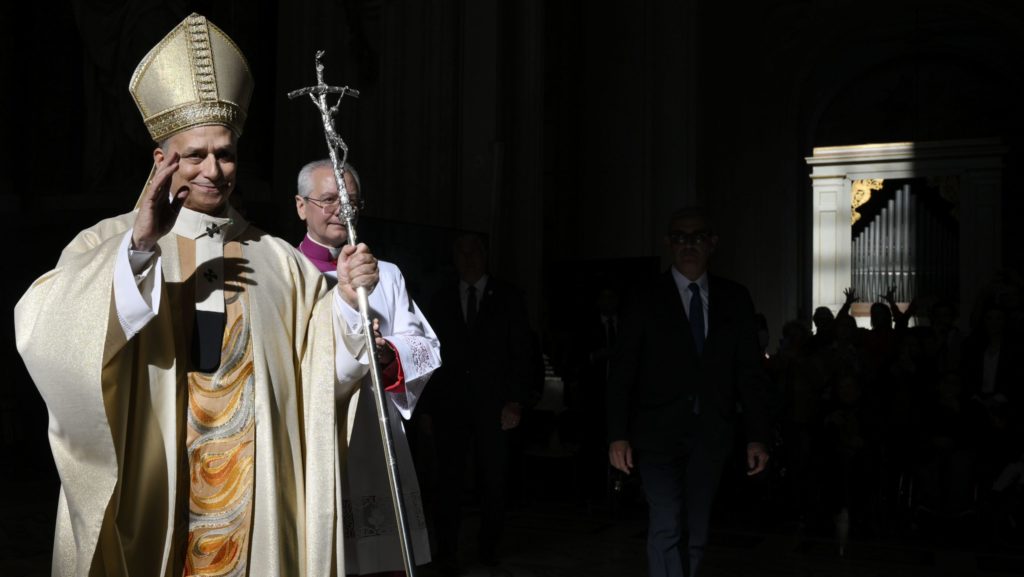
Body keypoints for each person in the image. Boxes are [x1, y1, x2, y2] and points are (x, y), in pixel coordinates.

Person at [14, 14, 381, 577]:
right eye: (195, 155)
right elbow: (45, 333)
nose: (214, 170)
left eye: (226, 154)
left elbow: (322, 376)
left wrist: (350, 307)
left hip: (255, 496)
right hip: (158, 486)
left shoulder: (278, 260)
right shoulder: (108, 243)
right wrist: (139, 251)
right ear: (161, 161)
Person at [294, 158, 441, 575]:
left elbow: (423, 345)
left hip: (375, 438)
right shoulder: (285, 271)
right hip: (312, 429)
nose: (340, 209)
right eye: (327, 199)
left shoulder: (387, 276)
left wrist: (387, 354)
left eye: (351, 201)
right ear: (301, 206)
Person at [607, 207, 772, 577]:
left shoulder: (734, 298)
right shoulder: (644, 296)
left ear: (712, 243)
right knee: (665, 522)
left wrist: (757, 437)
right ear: (669, 244)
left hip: (711, 432)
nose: (688, 245)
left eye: (697, 237)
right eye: (680, 237)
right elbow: (622, 371)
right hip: (657, 432)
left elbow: (750, 374)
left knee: (696, 529)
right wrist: (617, 435)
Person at [424, 232, 534, 572]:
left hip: (495, 406)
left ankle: (488, 547)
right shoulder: (441, 299)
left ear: (485, 255)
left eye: (474, 251)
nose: (468, 258)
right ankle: (447, 549)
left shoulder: (509, 297)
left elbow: (523, 352)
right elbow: (429, 355)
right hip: (451, 407)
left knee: (493, 479)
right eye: (461, 252)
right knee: (448, 481)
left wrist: (515, 401)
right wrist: (427, 409)